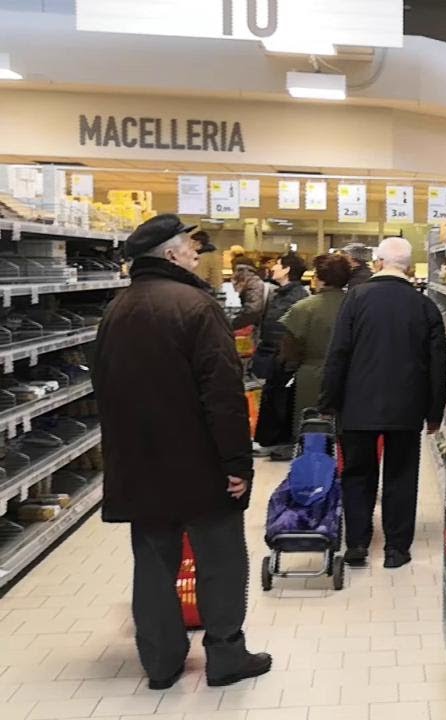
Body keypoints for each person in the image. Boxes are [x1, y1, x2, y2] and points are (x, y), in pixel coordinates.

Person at [93, 214, 271, 691]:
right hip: (199, 463)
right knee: (221, 559)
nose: (197, 252)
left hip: (137, 462)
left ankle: (161, 662)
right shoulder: (197, 306)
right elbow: (223, 394)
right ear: (171, 255)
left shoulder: (116, 310)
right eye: (191, 246)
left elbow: (102, 388)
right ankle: (226, 657)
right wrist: (236, 463)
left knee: (153, 562)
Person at [319, 237, 446, 569]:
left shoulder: (355, 299)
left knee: (357, 474)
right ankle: (396, 549)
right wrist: (435, 413)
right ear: (408, 266)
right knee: (401, 476)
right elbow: (438, 364)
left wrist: (328, 400)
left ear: (377, 262)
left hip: (356, 405)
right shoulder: (425, 305)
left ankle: (357, 543)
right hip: (407, 407)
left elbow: (338, 354)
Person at [279, 254, 352, 437]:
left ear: (318, 277)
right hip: (351, 377)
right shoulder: (356, 305)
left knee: (311, 431)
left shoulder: (303, 308)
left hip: (310, 376)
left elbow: (289, 349)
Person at [253, 254, 310, 459]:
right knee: (272, 397)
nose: (273, 267)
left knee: (280, 400)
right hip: (274, 354)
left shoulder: (295, 296)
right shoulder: (282, 293)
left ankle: (280, 442)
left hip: (282, 356)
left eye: (278, 264)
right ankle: (270, 441)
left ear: (286, 270)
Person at [229, 257, 265, 331]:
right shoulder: (252, 281)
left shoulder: (253, 282)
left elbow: (253, 310)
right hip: (243, 324)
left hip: (246, 327)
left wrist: (232, 324)